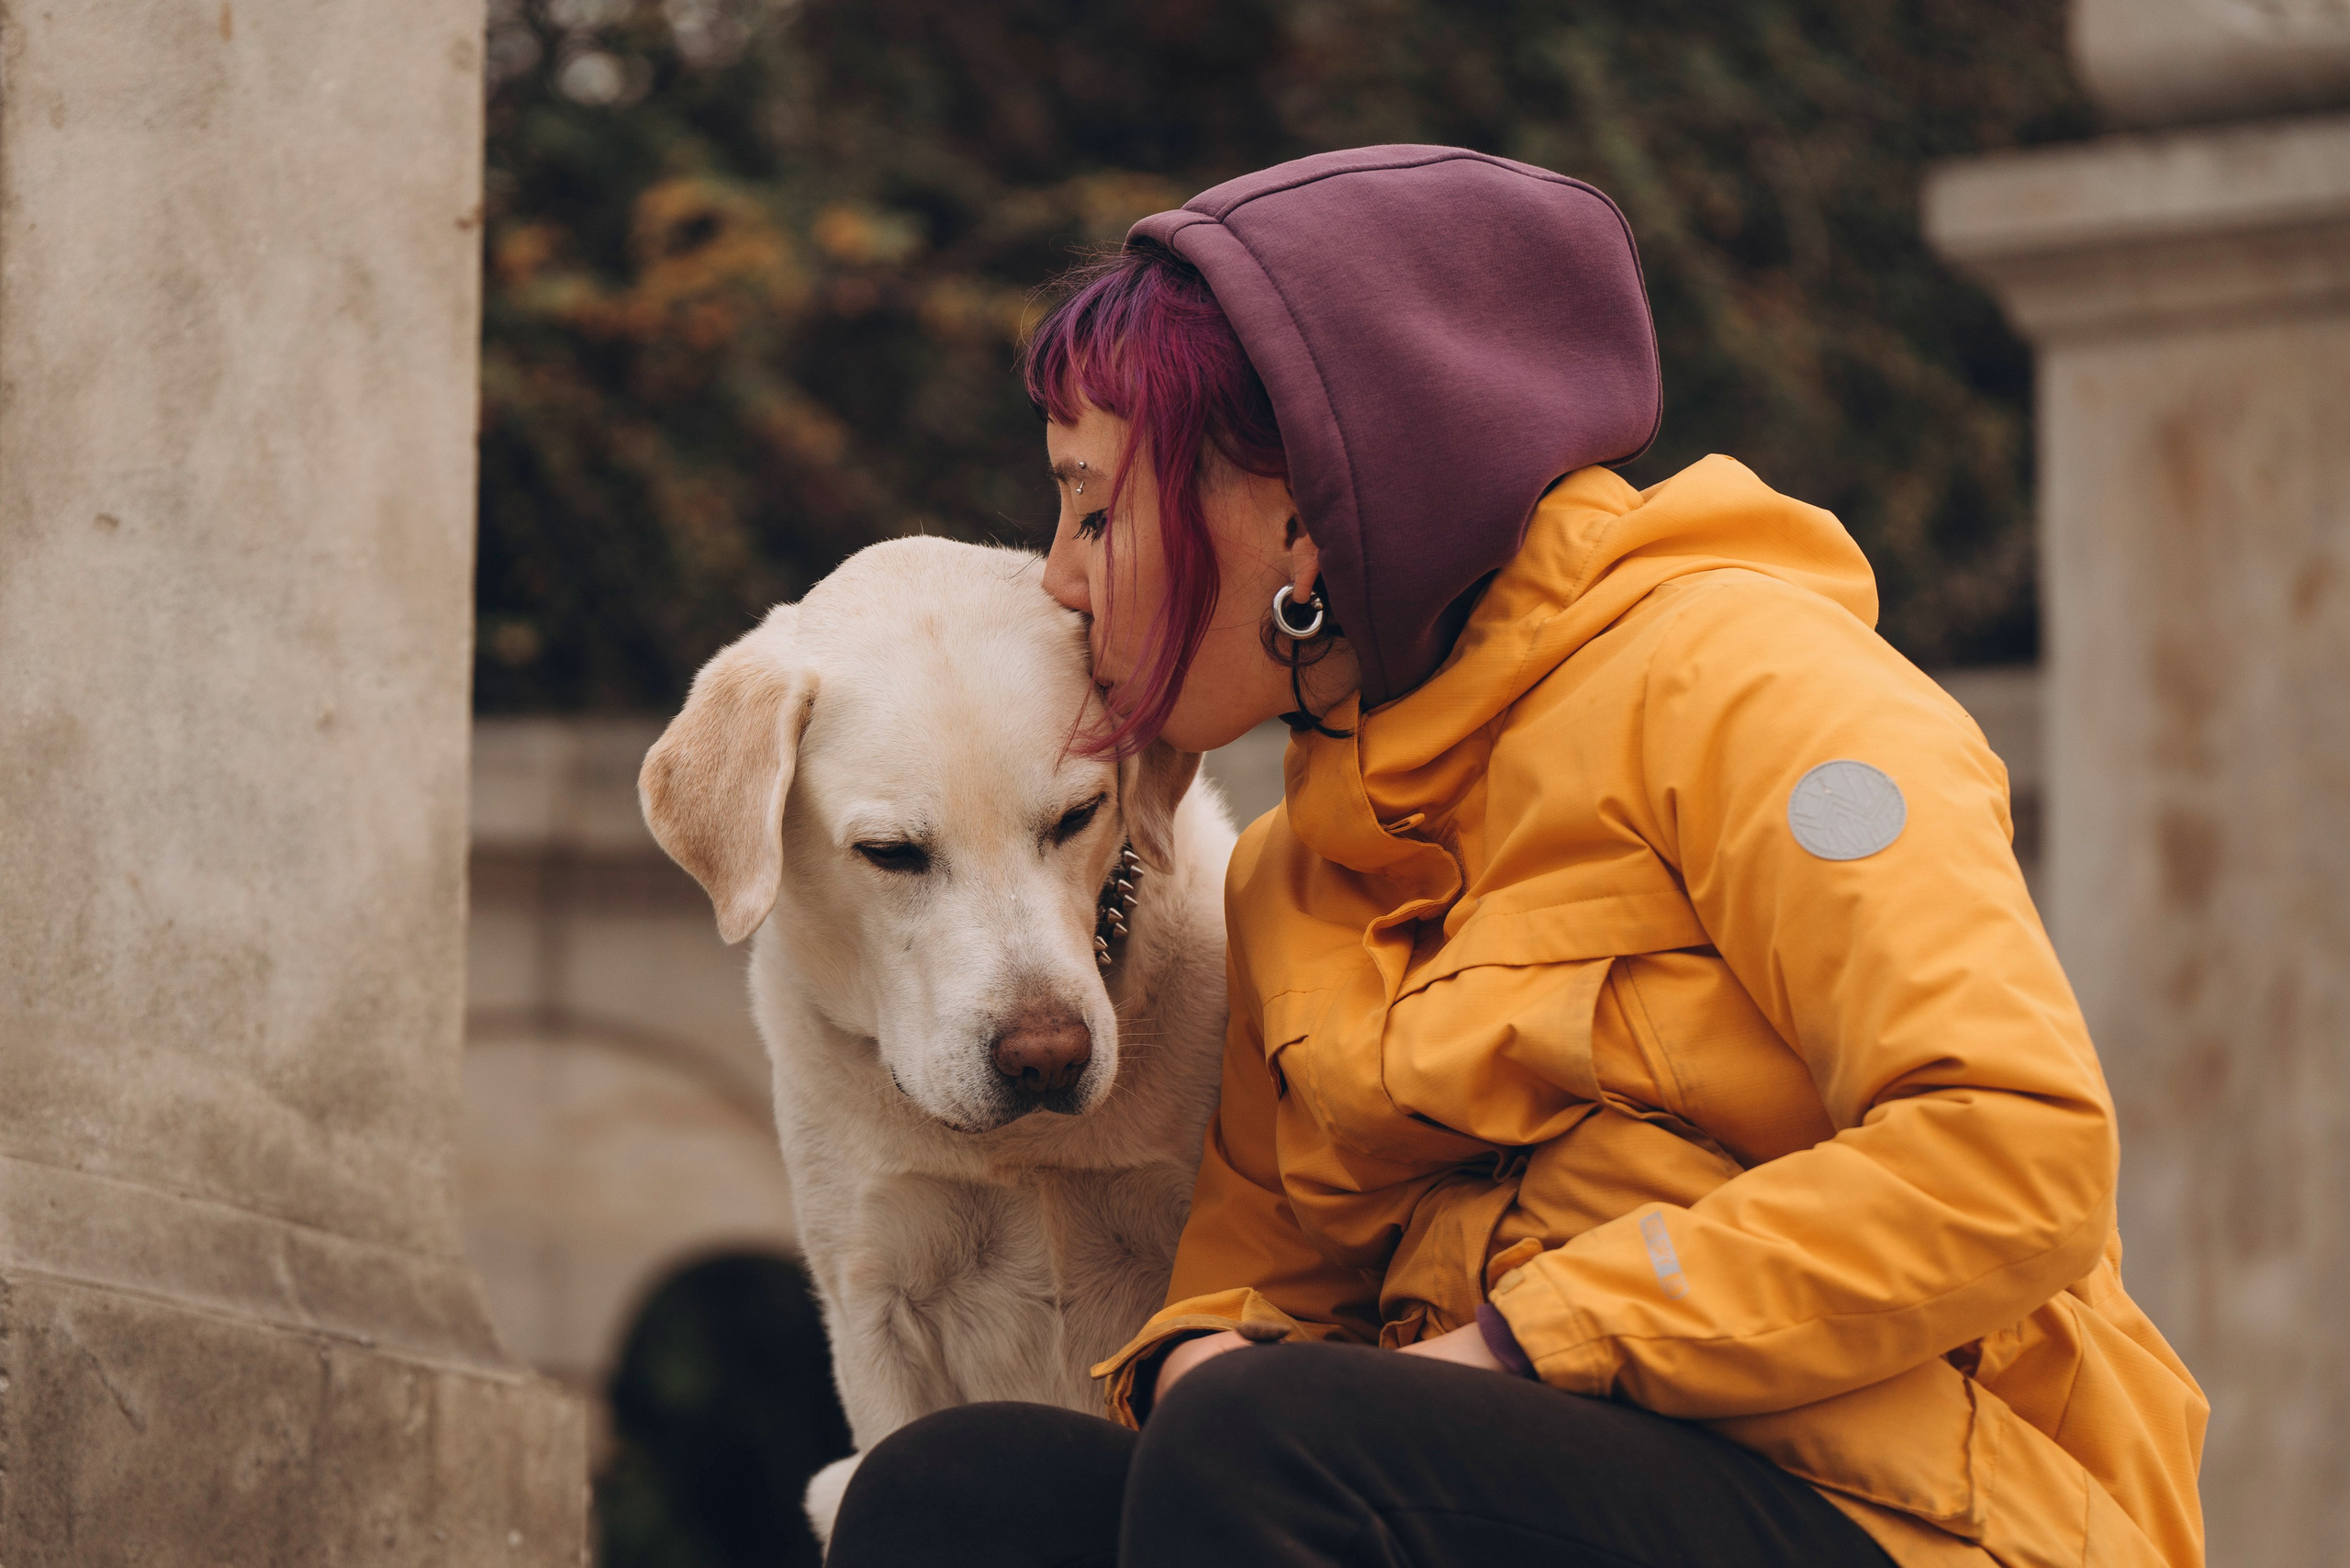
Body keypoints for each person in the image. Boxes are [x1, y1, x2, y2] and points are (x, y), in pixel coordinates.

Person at [822, 146, 2206, 1568]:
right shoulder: (1288, 871)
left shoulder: (1765, 695)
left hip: (1908, 1517)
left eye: (1098, 508)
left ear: (1301, 514)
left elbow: (2014, 1154)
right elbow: (1250, 1301)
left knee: (1275, 1442)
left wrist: (1518, 1348)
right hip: (1492, 1491)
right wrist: (1195, 1364)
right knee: (954, 1493)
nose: (1059, 572)